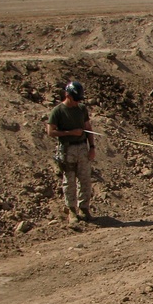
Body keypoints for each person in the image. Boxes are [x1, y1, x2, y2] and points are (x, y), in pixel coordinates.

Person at [46, 80, 96, 223]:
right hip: (67, 149)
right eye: (75, 98)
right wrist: (70, 132)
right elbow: (50, 131)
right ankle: (71, 210)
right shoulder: (58, 111)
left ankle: (84, 208)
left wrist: (91, 147)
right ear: (67, 95)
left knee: (85, 179)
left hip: (82, 147)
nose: (77, 102)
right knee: (69, 180)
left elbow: (88, 128)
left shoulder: (81, 109)